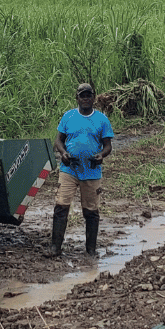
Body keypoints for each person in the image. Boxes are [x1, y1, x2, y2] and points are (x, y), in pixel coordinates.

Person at [47, 82, 114, 256]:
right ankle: (55, 247)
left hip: (91, 171)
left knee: (91, 211)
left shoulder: (102, 120)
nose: (85, 98)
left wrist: (101, 155)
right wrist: (63, 153)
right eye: (82, 95)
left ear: (93, 98)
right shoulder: (68, 116)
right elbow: (58, 141)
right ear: (77, 98)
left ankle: (91, 250)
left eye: (88, 95)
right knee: (61, 206)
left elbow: (108, 146)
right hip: (69, 169)